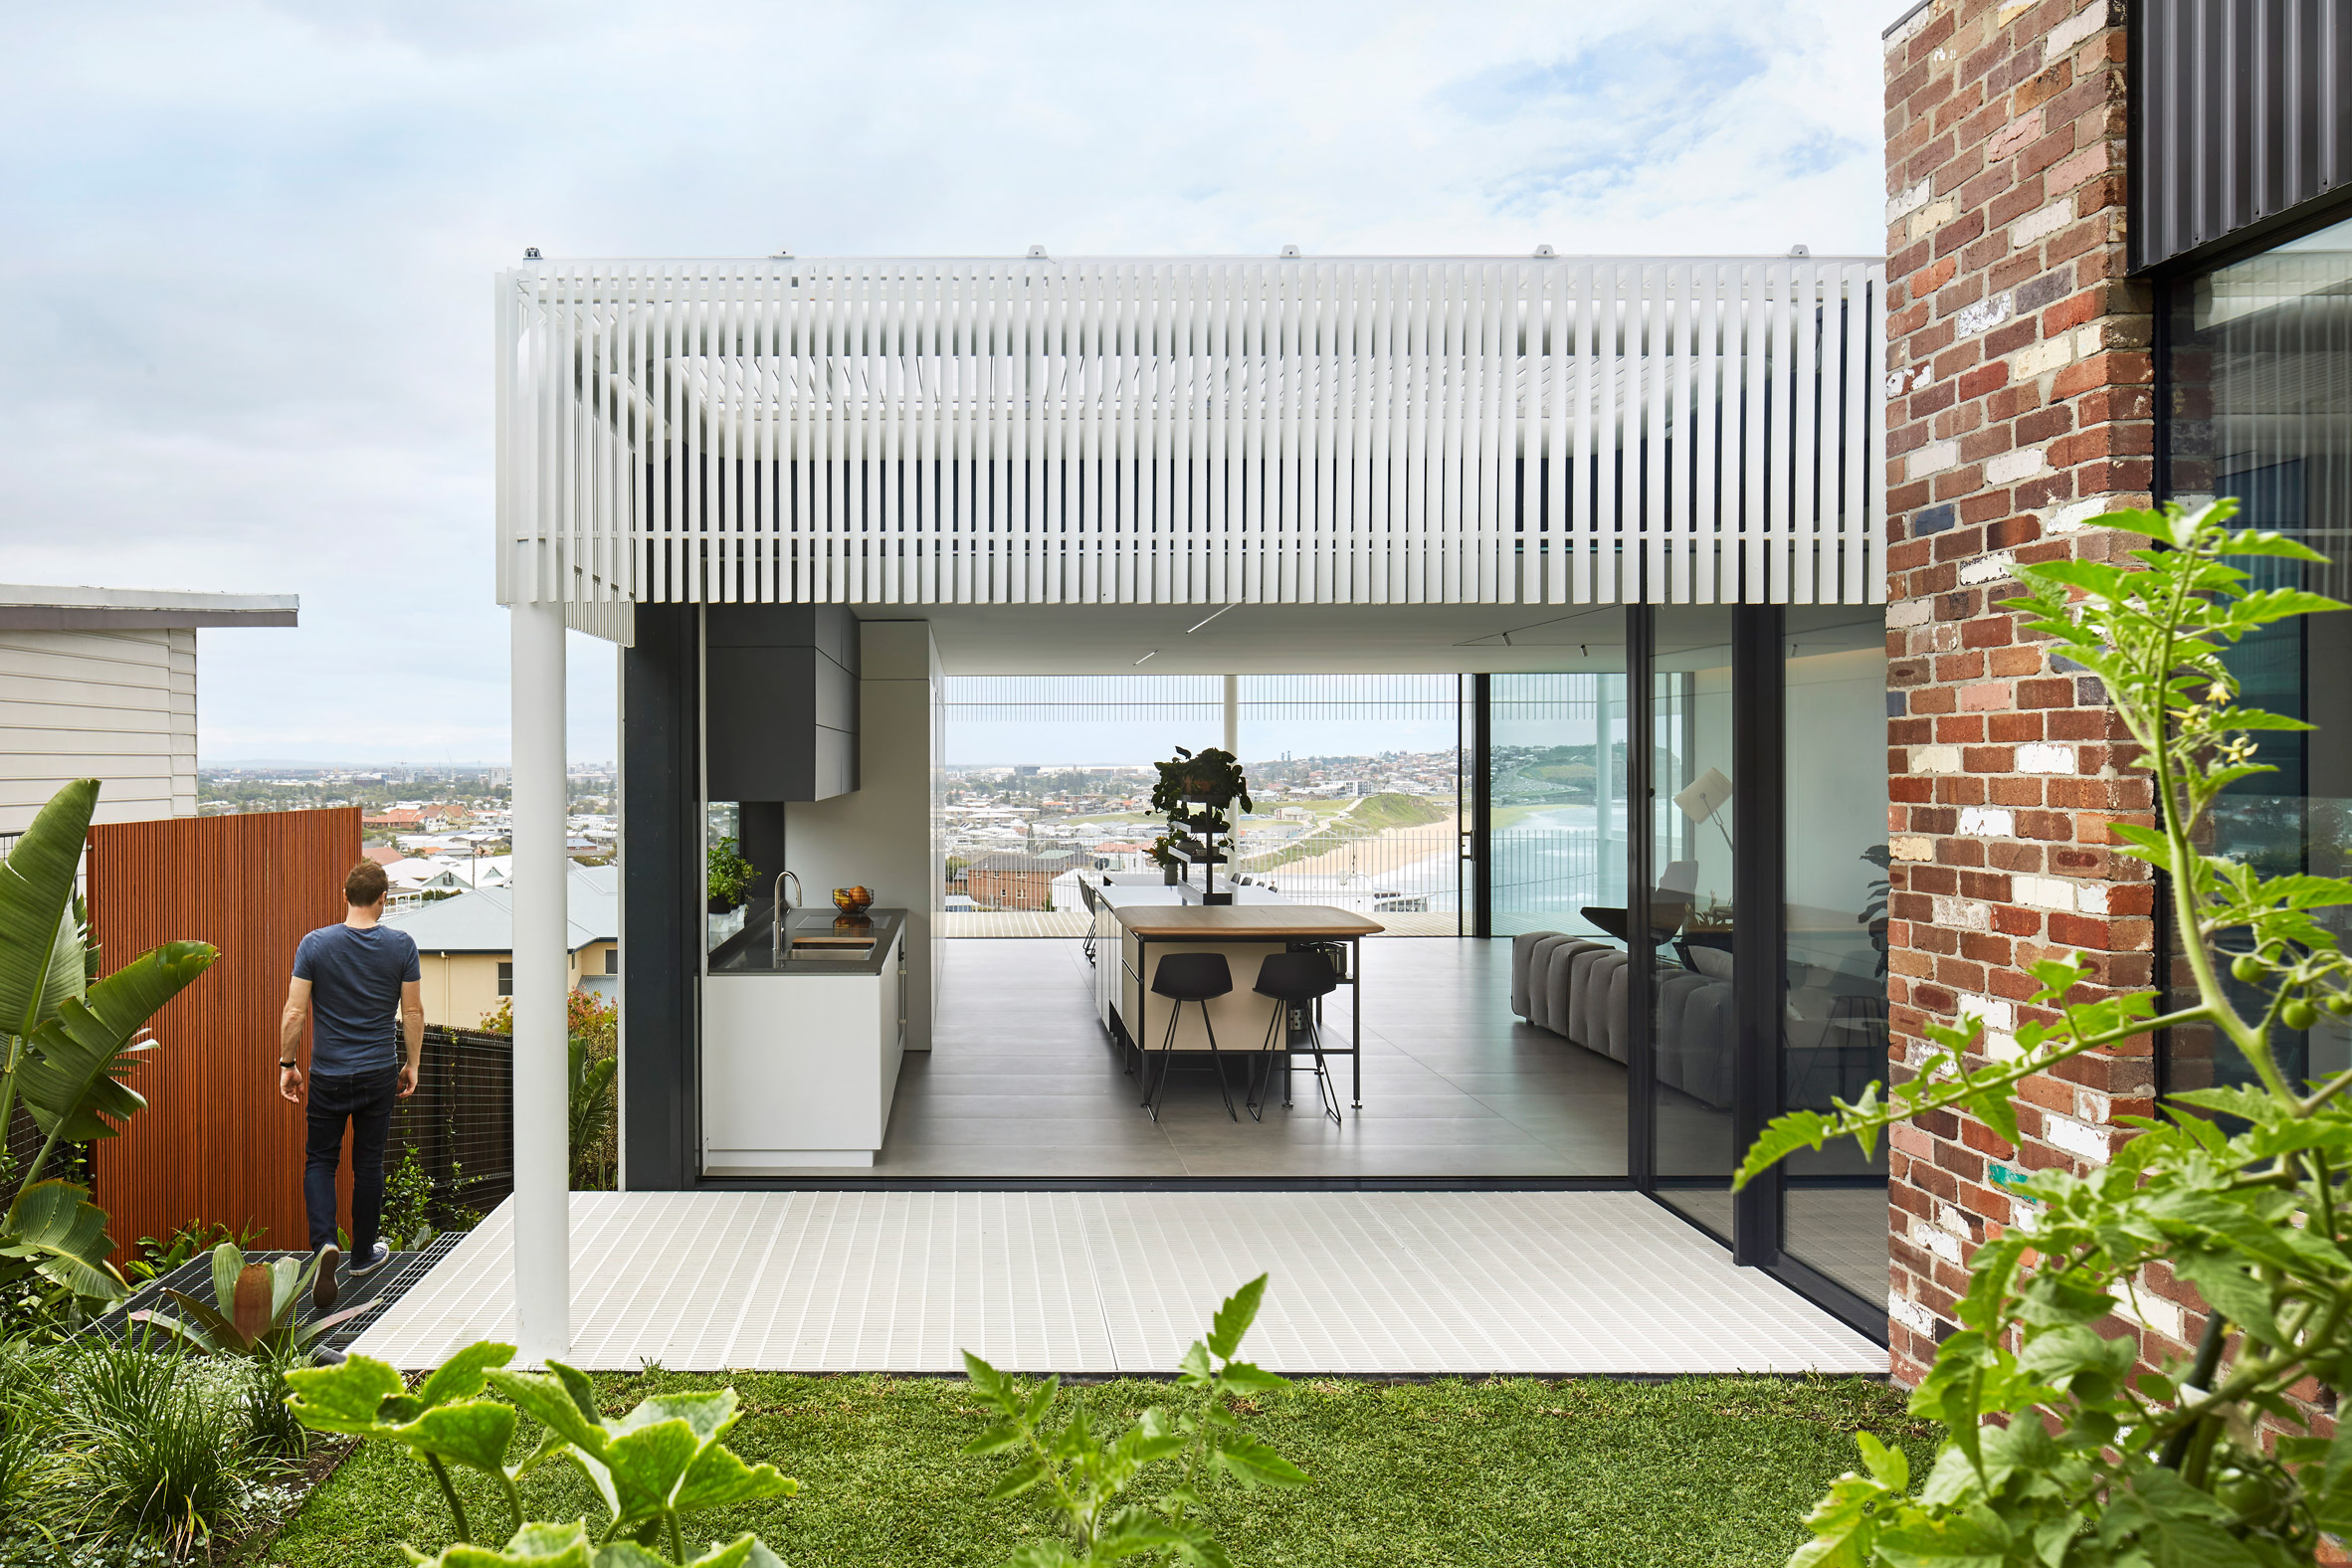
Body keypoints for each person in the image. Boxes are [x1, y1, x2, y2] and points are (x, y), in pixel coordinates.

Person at [280, 860, 423, 1310]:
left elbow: (295, 1012)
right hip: (379, 1071)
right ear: (384, 899)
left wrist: (288, 1063)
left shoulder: (315, 944)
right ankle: (361, 1256)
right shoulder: (401, 945)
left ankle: (325, 1245)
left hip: (328, 1073)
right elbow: (413, 1013)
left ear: (345, 895)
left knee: (320, 1161)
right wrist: (412, 1063)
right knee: (369, 1164)